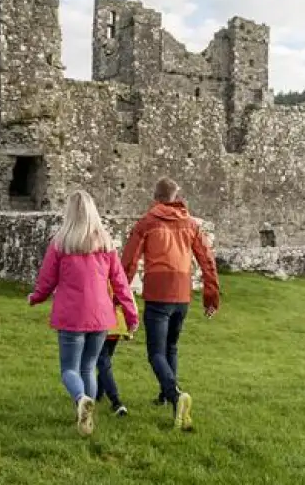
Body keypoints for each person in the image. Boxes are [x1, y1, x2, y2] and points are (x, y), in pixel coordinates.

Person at [29, 190, 139, 436]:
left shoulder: (61, 243)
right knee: (89, 366)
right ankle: (87, 416)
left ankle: (80, 399)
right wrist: (131, 315)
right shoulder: (106, 244)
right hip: (100, 316)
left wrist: (35, 298)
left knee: (69, 368)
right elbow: (121, 284)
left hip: (71, 315)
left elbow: (46, 281)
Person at [121, 176, 220, 432]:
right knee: (171, 347)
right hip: (182, 294)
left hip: (158, 292)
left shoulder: (147, 223)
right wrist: (211, 295)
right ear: (176, 198)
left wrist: (119, 293)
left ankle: (175, 395)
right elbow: (207, 260)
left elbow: (130, 261)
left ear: (155, 198)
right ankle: (166, 395)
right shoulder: (191, 224)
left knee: (155, 352)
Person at [94, 282, 133, 417]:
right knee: (105, 361)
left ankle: (116, 401)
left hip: (101, 322)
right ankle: (98, 394)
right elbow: (126, 296)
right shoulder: (116, 271)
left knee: (103, 362)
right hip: (117, 323)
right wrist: (131, 320)